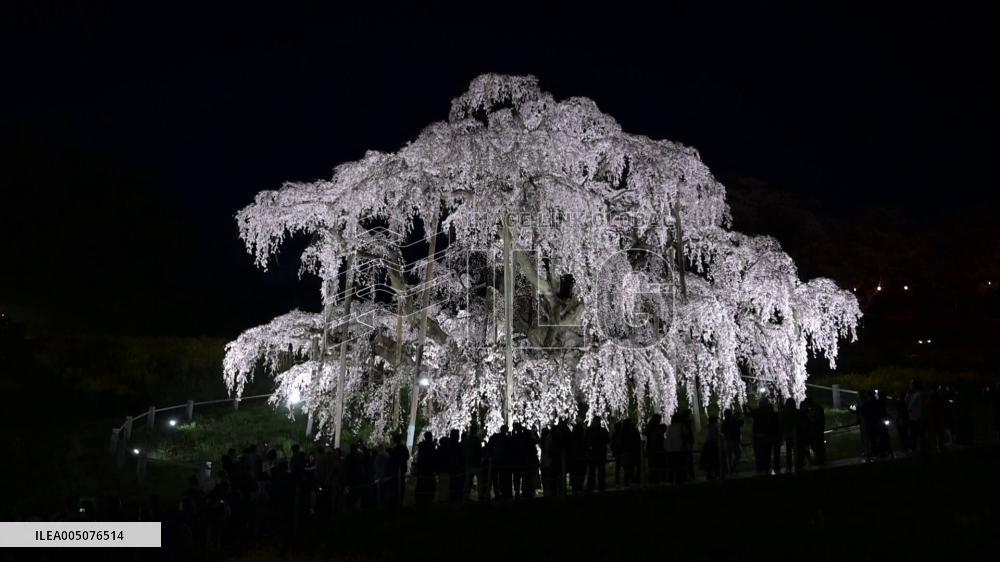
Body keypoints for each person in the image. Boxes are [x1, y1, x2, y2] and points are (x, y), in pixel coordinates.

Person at [585, 416, 610, 492]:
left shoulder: (589, 430)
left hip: (593, 453)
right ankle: (600, 486)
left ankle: (592, 486)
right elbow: (607, 440)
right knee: (599, 471)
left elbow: (585, 440)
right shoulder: (602, 430)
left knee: (593, 472)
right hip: (599, 453)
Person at [414, 432, 437, 510]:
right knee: (429, 483)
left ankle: (420, 499)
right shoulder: (430, 445)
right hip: (429, 468)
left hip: (422, 467)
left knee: (421, 483)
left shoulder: (422, 445)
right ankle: (427, 499)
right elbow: (433, 455)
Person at [720, 408, 743, 474]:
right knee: (737, 454)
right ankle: (733, 467)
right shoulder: (734, 420)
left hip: (728, 440)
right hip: (735, 440)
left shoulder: (724, 422)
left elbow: (722, 431)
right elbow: (741, 423)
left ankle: (730, 469)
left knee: (729, 456)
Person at [699, 415, 721, 480]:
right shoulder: (714, 427)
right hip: (712, 445)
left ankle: (710, 474)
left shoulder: (708, 427)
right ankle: (713, 474)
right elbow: (715, 436)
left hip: (708, 445)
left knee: (709, 461)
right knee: (713, 460)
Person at [779, 398, 797, 473]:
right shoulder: (796, 412)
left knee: (788, 452)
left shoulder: (784, 412)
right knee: (797, 450)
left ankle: (789, 466)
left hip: (788, 434)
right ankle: (798, 464)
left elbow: (781, 424)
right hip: (796, 434)